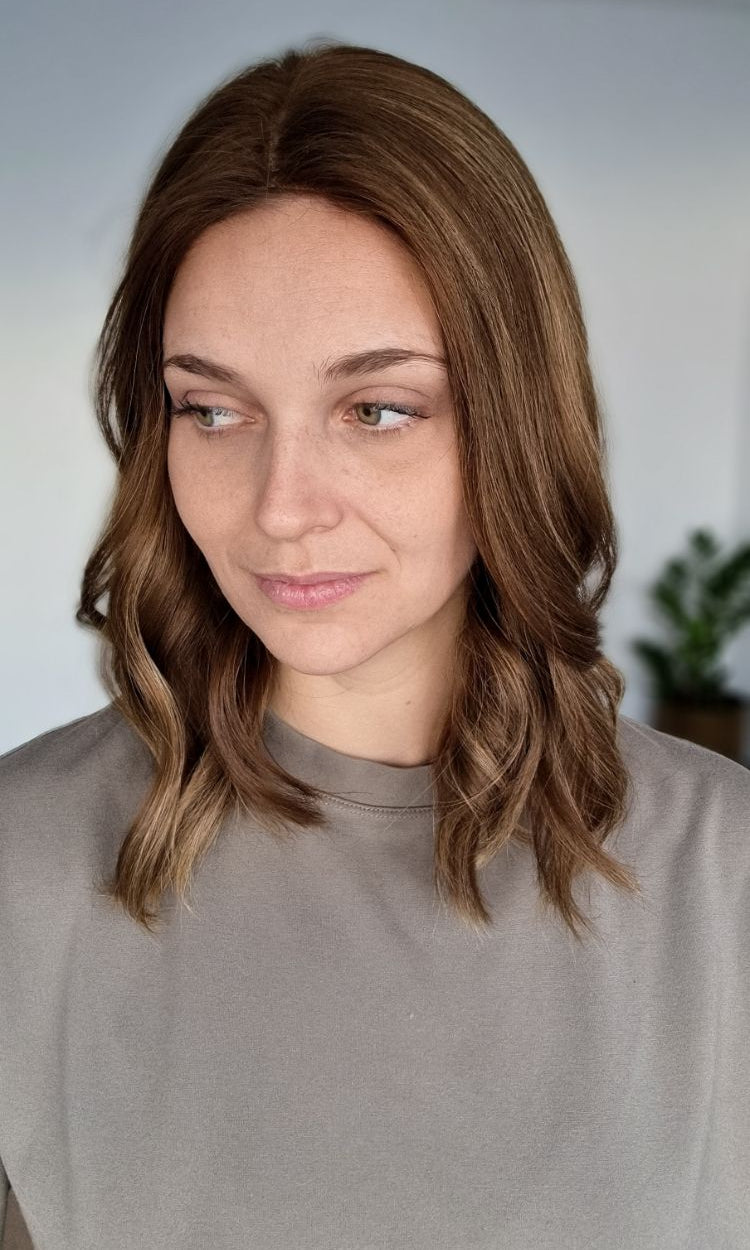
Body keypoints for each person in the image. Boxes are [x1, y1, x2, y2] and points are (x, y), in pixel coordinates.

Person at [1, 39, 748, 1250]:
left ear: (514, 415)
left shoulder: (725, 880)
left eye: (377, 408)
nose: (281, 505)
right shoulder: (22, 864)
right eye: (213, 408)